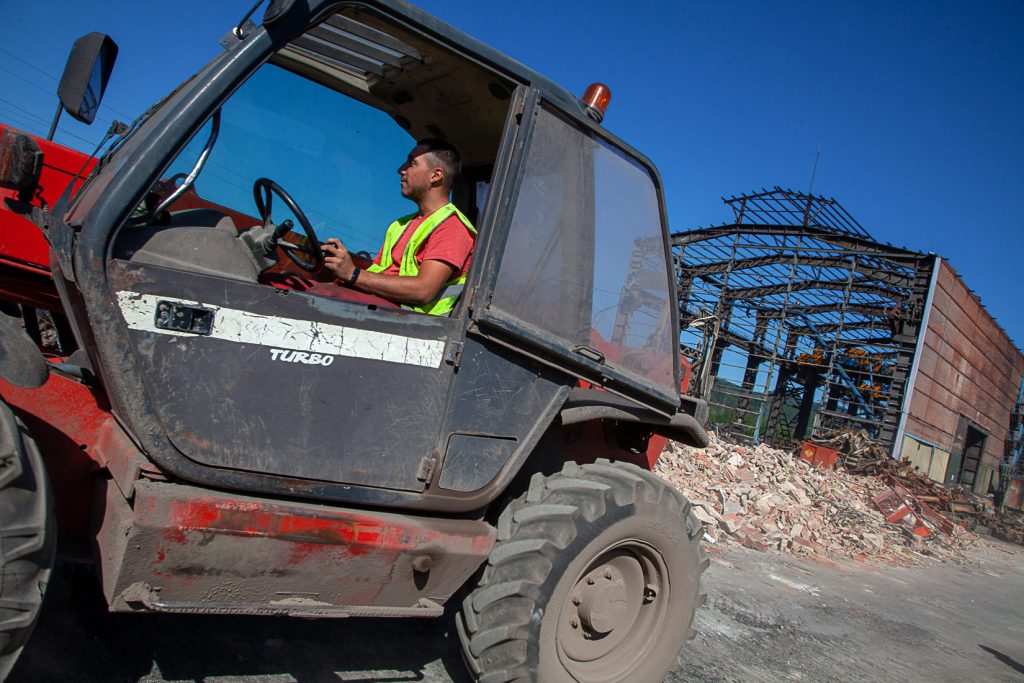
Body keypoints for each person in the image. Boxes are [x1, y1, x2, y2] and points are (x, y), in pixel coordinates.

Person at [321, 139, 476, 315]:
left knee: (321, 297)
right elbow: (378, 272)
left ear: (436, 175)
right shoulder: (399, 225)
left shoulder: (452, 227)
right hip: (382, 307)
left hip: (413, 324)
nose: (401, 169)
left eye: (411, 163)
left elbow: (423, 291)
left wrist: (354, 274)